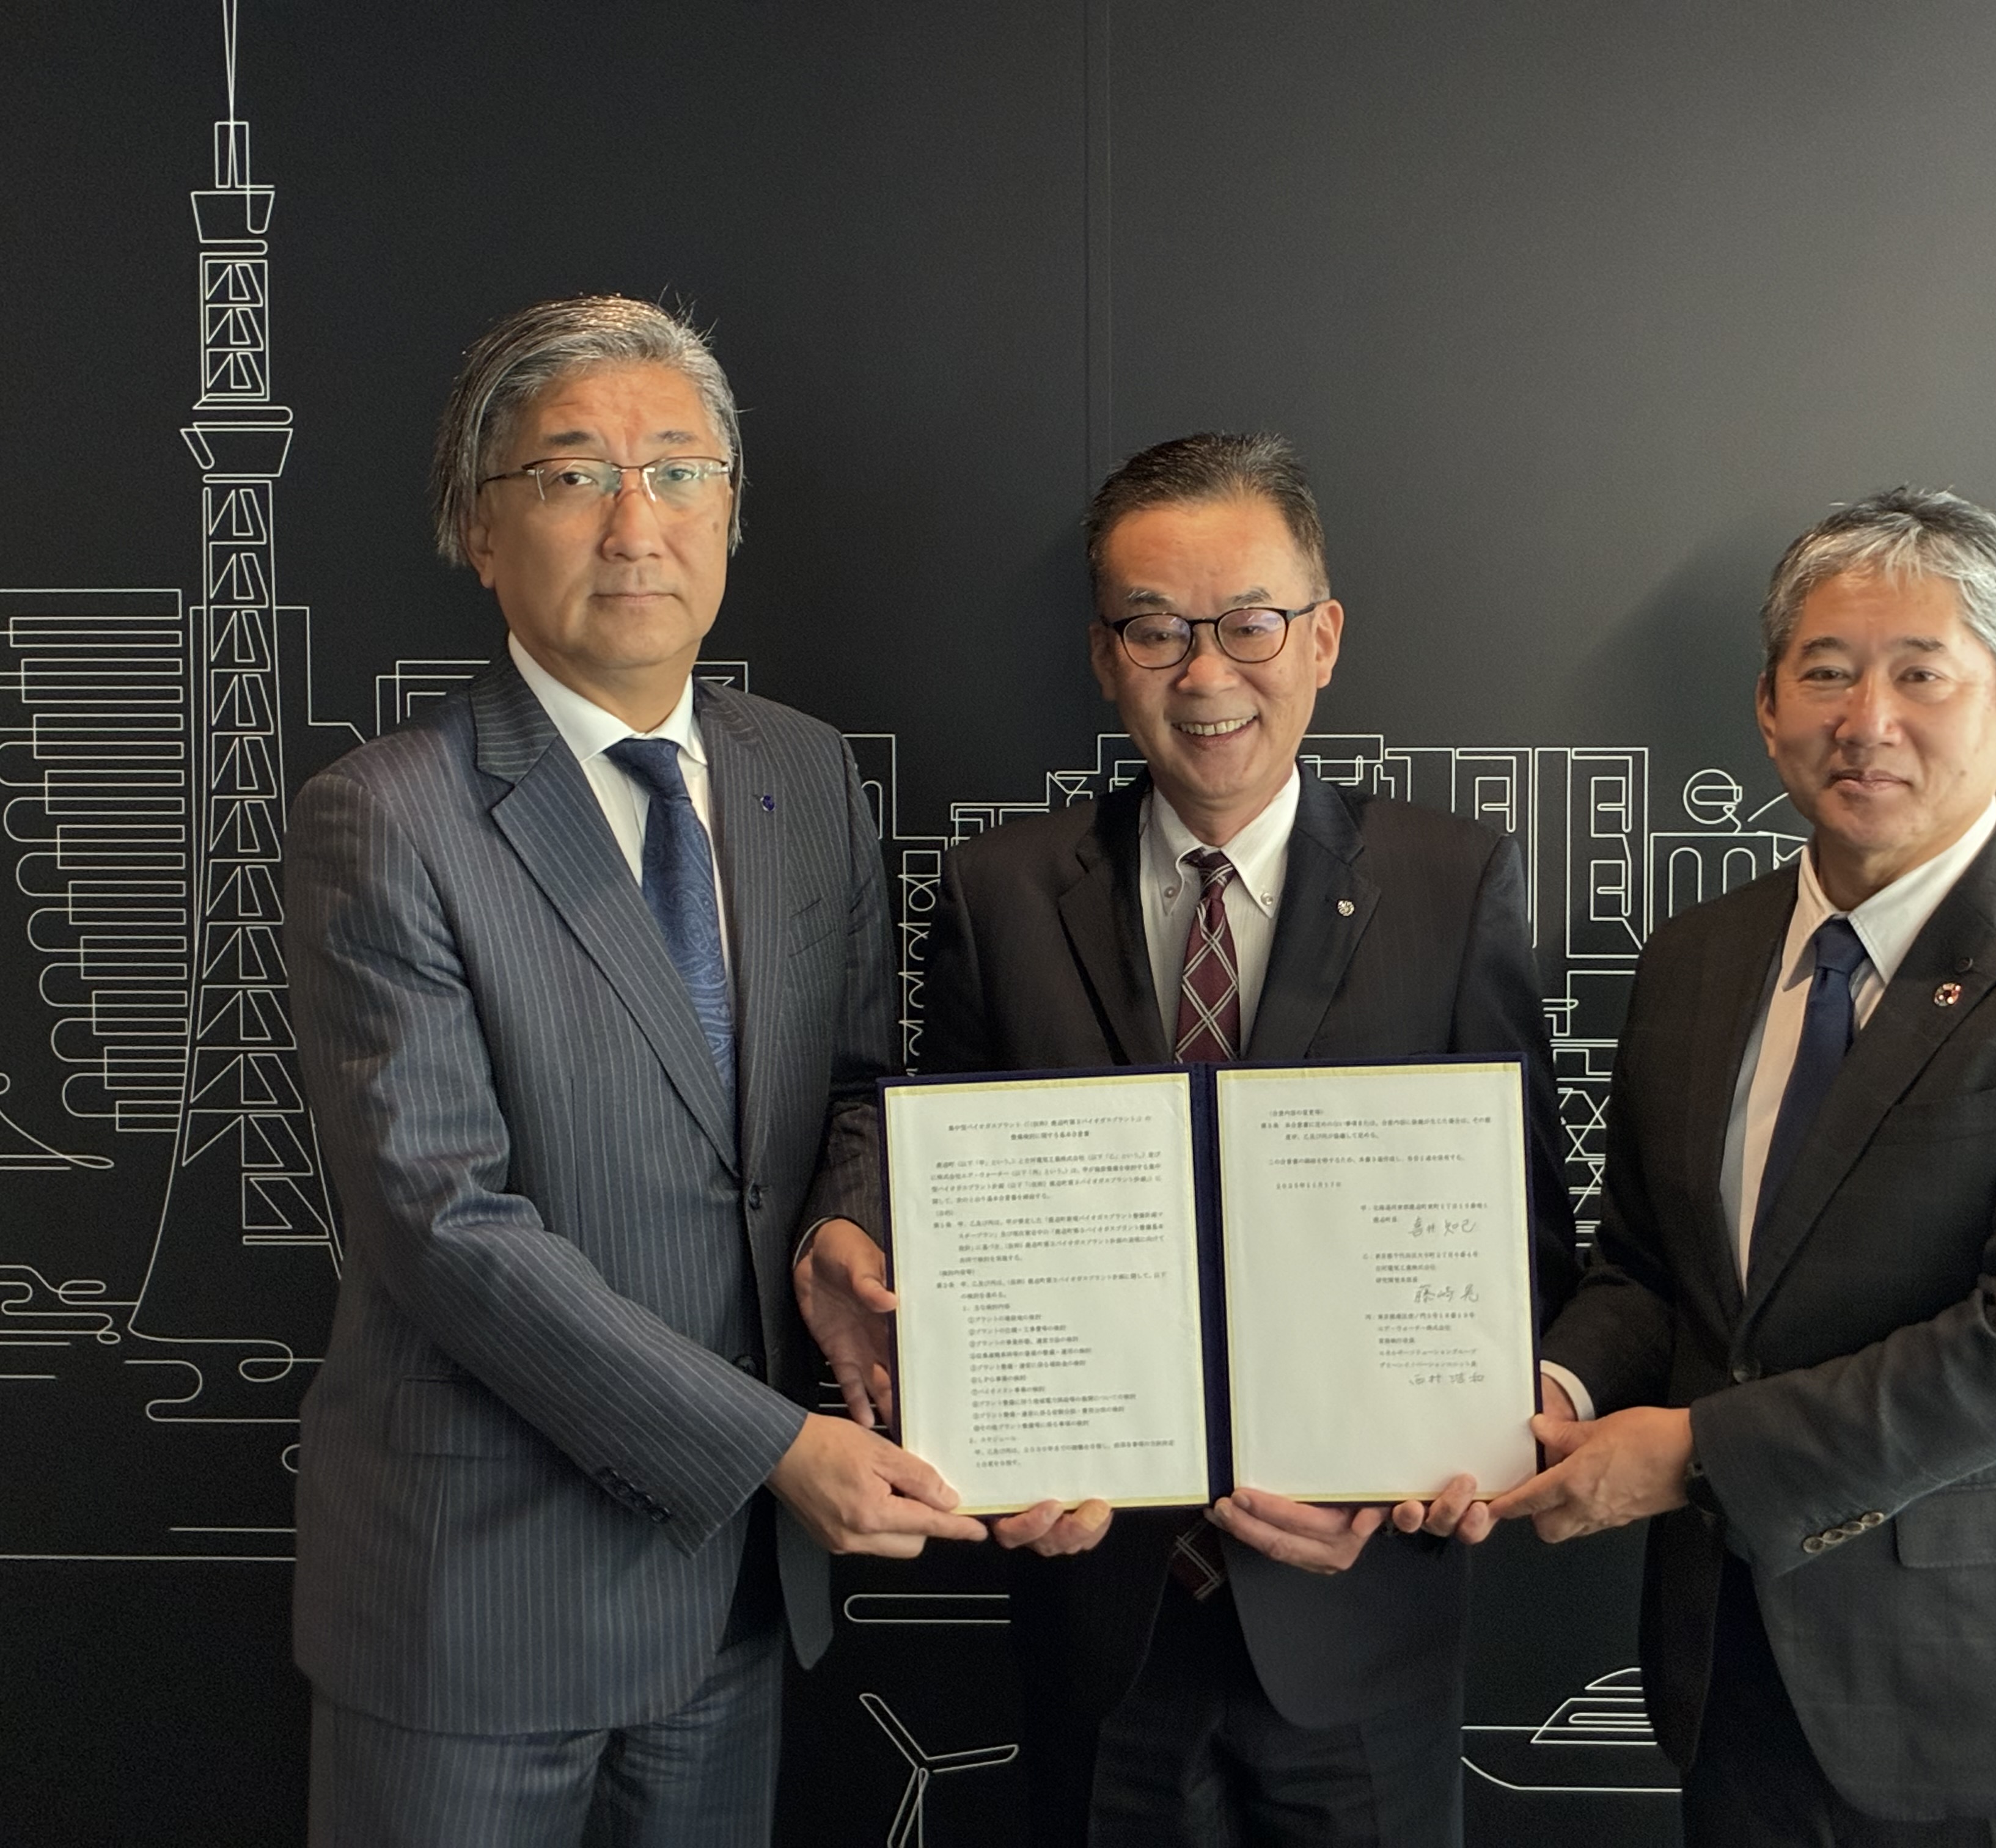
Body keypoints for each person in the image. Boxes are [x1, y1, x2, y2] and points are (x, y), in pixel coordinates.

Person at [809, 431, 1579, 1845]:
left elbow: (1526, 1247)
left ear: (1323, 638)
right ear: (1105, 657)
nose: (1208, 674)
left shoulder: (1453, 882)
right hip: (1097, 1616)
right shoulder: (996, 894)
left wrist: (1434, 1457)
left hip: (1364, 1626)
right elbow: (947, 1212)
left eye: (1250, 624)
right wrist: (986, 1427)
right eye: (1157, 629)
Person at [285, 295, 983, 1847]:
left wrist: (838, 1230)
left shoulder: (805, 774)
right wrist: (774, 1447)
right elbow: (443, 1226)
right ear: (480, 529)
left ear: (729, 509)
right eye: (572, 474)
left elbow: (856, 1085)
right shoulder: (385, 817)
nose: (634, 522)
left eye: (678, 470)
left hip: (732, 1605)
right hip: (479, 1599)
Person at [1481, 486, 1996, 1846]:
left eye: (1920, 675)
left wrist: (1696, 1456)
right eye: (1825, 673)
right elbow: (1650, 1270)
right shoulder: (1698, 961)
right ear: (1769, 709)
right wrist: (1540, 1392)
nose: (1867, 719)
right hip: (1740, 1687)